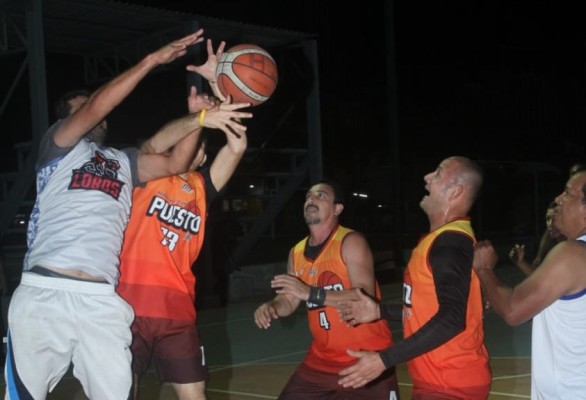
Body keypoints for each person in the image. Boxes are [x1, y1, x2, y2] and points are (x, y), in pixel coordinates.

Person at [3, 30, 252, 400]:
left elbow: (174, 162)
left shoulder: (123, 163)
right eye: (82, 108)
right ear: (64, 122)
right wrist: (152, 61)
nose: (94, 113)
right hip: (46, 290)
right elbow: (97, 108)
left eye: (92, 106)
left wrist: (202, 116)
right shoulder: (57, 150)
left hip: (103, 300)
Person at [116, 40, 247, 400]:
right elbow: (159, 145)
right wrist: (196, 117)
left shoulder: (202, 186)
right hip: (128, 307)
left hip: (177, 311)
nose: (196, 146)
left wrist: (223, 86)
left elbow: (236, 145)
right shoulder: (144, 174)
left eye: (201, 144)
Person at [337, 156, 491, 399]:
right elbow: (423, 312)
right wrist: (380, 312)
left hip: (450, 384)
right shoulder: (441, 240)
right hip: (438, 382)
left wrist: (383, 360)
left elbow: (451, 318)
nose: (427, 177)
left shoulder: (450, 242)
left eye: (438, 174)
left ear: (455, 192)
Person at [253, 180, 400, 400]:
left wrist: (310, 293)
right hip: (321, 362)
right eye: (308, 197)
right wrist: (272, 307)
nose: (311, 200)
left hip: (366, 357)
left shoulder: (350, 241)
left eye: (321, 196)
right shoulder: (297, 252)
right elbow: (289, 300)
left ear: (337, 208)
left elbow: (363, 294)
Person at [473, 170, 586, 399]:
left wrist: (484, 268)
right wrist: (497, 294)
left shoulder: (572, 254)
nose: (558, 199)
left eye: (567, 193)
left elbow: (513, 310)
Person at [509, 200, 565, 276]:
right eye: (548, 219)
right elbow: (539, 277)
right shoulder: (550, 244)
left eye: (555, 219)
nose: (550, 224)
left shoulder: (576, 245)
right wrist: (520, 262)